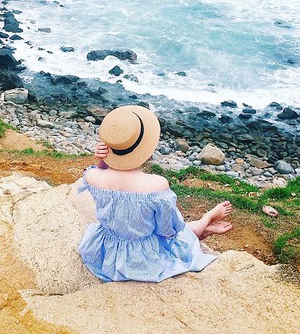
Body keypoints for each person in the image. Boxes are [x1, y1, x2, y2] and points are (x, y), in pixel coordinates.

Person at [78, 104, 232, 282]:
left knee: (178, 232)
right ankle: (205, 221)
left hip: (107, 252)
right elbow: (167, 230)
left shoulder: (92, 177)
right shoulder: (156, 185)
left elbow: (100, 172)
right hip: (143, 258)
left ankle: (202, 226)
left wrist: (103, 160)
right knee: (180, 235)